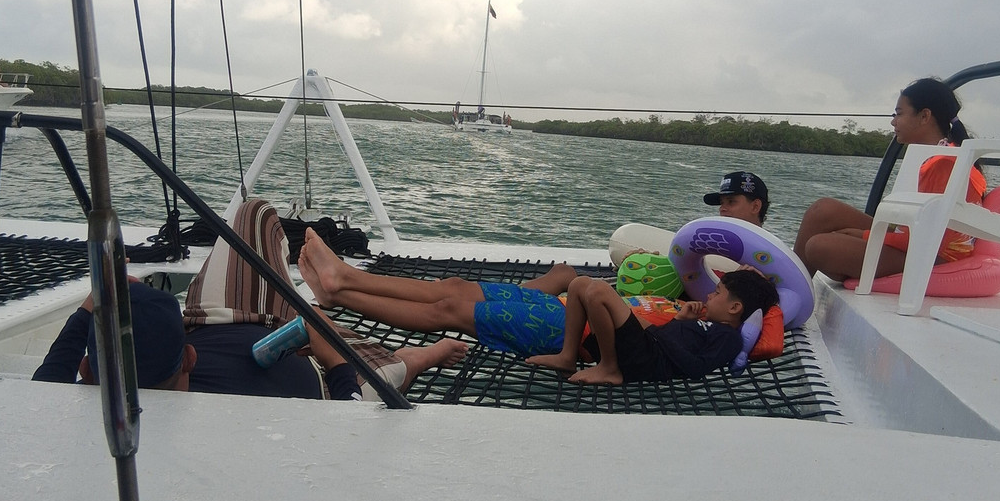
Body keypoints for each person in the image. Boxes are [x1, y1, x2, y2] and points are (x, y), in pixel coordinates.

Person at [297, 171, 775, 359]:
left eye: (731, 202)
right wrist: (689, 305)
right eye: (720, 203)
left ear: (756, 207)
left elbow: (764, 329)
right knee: (455, 285)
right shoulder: (710, 271)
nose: (722, 211)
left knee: (449, 310)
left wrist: (719, 303)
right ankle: (345, 282)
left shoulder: (755, 280)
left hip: (581, 325)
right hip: (577, 307)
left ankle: (342, 286)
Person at [34, 198, 466, 398]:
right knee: (385, 368)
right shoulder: (266, 420)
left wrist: (100, 301)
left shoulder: (57, 409)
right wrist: (326, 350)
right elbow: (347, 411)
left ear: (87, 370)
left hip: (218, 318)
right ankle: (420, 354)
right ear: (188, 359)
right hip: (321, 369)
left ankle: (320, 310)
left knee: (252, 214)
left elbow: (52, 375)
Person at [793, 77, 987, 282]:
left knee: (818, 247)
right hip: (914, 241)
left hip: (932, 257)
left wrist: (864, 235)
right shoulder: (931, 156)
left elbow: (928, 241)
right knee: (823, 210)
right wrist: (867, 233)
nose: (893, 121)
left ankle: (789, 296)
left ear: (924, 116)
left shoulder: (945, 164)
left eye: (899, 114)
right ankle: (787, 289)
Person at [527, 269, 778, 385]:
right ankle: (567, 356)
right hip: (650, 346)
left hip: (648, 359)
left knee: (599, 291)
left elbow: (695, 368)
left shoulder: (729, 339)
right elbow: (675, 339)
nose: (710, 297)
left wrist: (657, 334)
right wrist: (680, 321)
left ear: (734, 308)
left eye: (717, 292)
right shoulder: (706, 325)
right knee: (580, 284)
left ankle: (609, 368)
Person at [703, 171, 769, 226]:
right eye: (721, 203)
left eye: (731, 201)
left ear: (755, 206)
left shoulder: (772, 242)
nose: (722, 209)